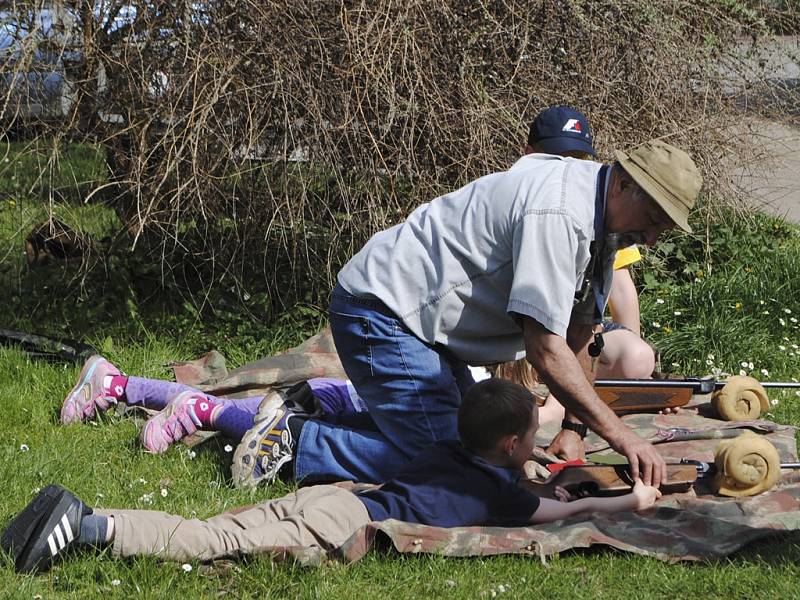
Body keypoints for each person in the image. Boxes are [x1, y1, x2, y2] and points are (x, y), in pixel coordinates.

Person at [231, 138, 701, 489]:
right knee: (468, 472)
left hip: (428, 326)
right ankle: (295, 441)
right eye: (655, 219)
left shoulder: (601, 218)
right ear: (623, 184)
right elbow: (546, 349)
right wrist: (622, 436)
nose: (654, 237)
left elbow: (579, 334)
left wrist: (576, 431)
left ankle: (305, 414)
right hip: (386, 312)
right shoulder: (560, 213)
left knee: (484, 446)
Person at [3, 379, 660, 574]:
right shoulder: (490, 491)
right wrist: (634, 498)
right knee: (215, 544)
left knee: (217, 529)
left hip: (334, 497)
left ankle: (79, 519)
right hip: (344, 517)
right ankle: (85, 526)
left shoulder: (456, 458)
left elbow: (528, 479)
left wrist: (538, 471)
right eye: (535, 439)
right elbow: (557, 516)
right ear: (512, 445)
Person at [525, 105, 655, 380]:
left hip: (578, 325)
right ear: (529, 153)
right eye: (558, 156)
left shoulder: (607, 215)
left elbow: (620, 290)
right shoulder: (540, 202)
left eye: (577, 157)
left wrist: (639, 376)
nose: (567, 164)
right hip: (529, 323)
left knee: (638, 357)